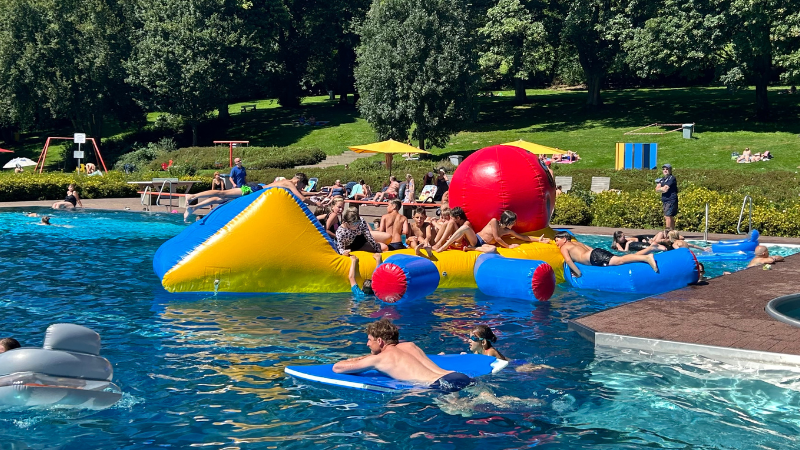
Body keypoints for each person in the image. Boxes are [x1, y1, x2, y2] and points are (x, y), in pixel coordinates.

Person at [332, 318, 473, 392]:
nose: (367, 344)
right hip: (457, 375)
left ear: (380, 341)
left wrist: (359, 358)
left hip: (440, 385)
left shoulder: (380, 359)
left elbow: (337, 368)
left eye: (369, 340)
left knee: (462, 412)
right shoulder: (410, 345)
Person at [184, 173, 309, 220]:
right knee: (222, 193)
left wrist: (317, 194)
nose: (301, 189)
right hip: (253, 191)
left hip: (256, 191)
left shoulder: (286, 183)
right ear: (298, 181)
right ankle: (192, 196)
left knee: (222, 198)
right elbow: (302, 198)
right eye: (301, 186)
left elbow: (302, 195)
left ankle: (194, 207)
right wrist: (318, 203)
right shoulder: (289, 183)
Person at [434, 209, 546, 253]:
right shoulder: (494, 222)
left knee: (493, 249)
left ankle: (471, 249)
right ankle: (443, 246)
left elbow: (522, 237)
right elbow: (497, 238)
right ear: (508, 221)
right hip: (476, 239)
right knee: (465, 228)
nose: (514, 225)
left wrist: (538, 240)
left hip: (483, 245)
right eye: (513, 223)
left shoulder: (507, 231)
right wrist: (508, 246)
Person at [555, 231, 658, 277]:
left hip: (594, 257)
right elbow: (591, 248)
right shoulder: (577, 243)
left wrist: (578, 273)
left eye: (556, 240)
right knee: (620, 259)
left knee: (619, 260)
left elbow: (568, 260)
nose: (556, 243)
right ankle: (645, 255)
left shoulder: (564, 247)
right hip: (596, 253)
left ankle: (646, 257)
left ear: (564, 239)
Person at [655, 164, 678, 231]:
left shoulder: (671, 178)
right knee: (669, 216)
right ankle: (672, 232)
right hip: (665, 200)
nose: (665, 170)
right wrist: (661, 188)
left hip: (671, 200)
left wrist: (661, 188)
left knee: (667, 216)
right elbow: (656, 189)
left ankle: (668, 232)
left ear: (670, 170)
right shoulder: (662, 179)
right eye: (664, 169)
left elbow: (665, 189)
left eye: (667, 169)